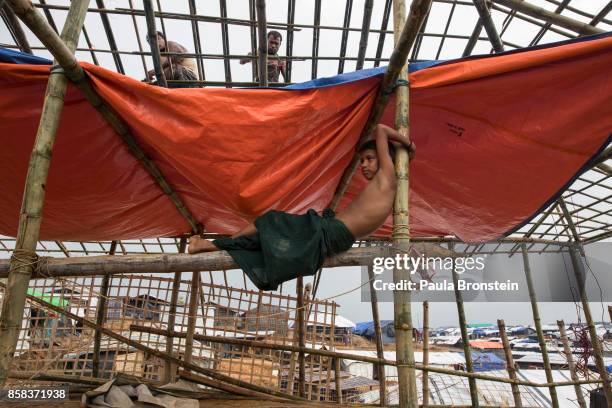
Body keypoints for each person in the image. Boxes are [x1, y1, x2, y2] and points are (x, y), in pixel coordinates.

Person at [189, 124, 416, 290]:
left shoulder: (388, 177)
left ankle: (212, 245)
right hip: (333, 234)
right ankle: (214, 245)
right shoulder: (386, 185)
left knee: (269, 221)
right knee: (267, 240)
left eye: (369, 159)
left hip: (330, 233)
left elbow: (380, 129)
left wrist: (408, 144)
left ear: (387, 160)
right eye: (363, 161)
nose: (363, 165)